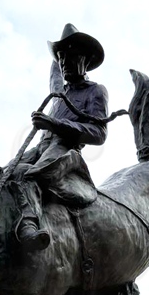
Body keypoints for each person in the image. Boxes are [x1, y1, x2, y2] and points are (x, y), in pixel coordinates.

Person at [12, 23, 109, 251]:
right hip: (41, 146)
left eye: (70, 56)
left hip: (65, 149)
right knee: (7, 173)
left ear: (85, 59)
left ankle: (29, 227)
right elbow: (54, 73)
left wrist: (53, 123)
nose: (64, 62)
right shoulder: (59, 93)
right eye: (61, 58)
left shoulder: (95, 91)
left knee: (30, 176)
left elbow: (99, 133)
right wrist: (57, 53)